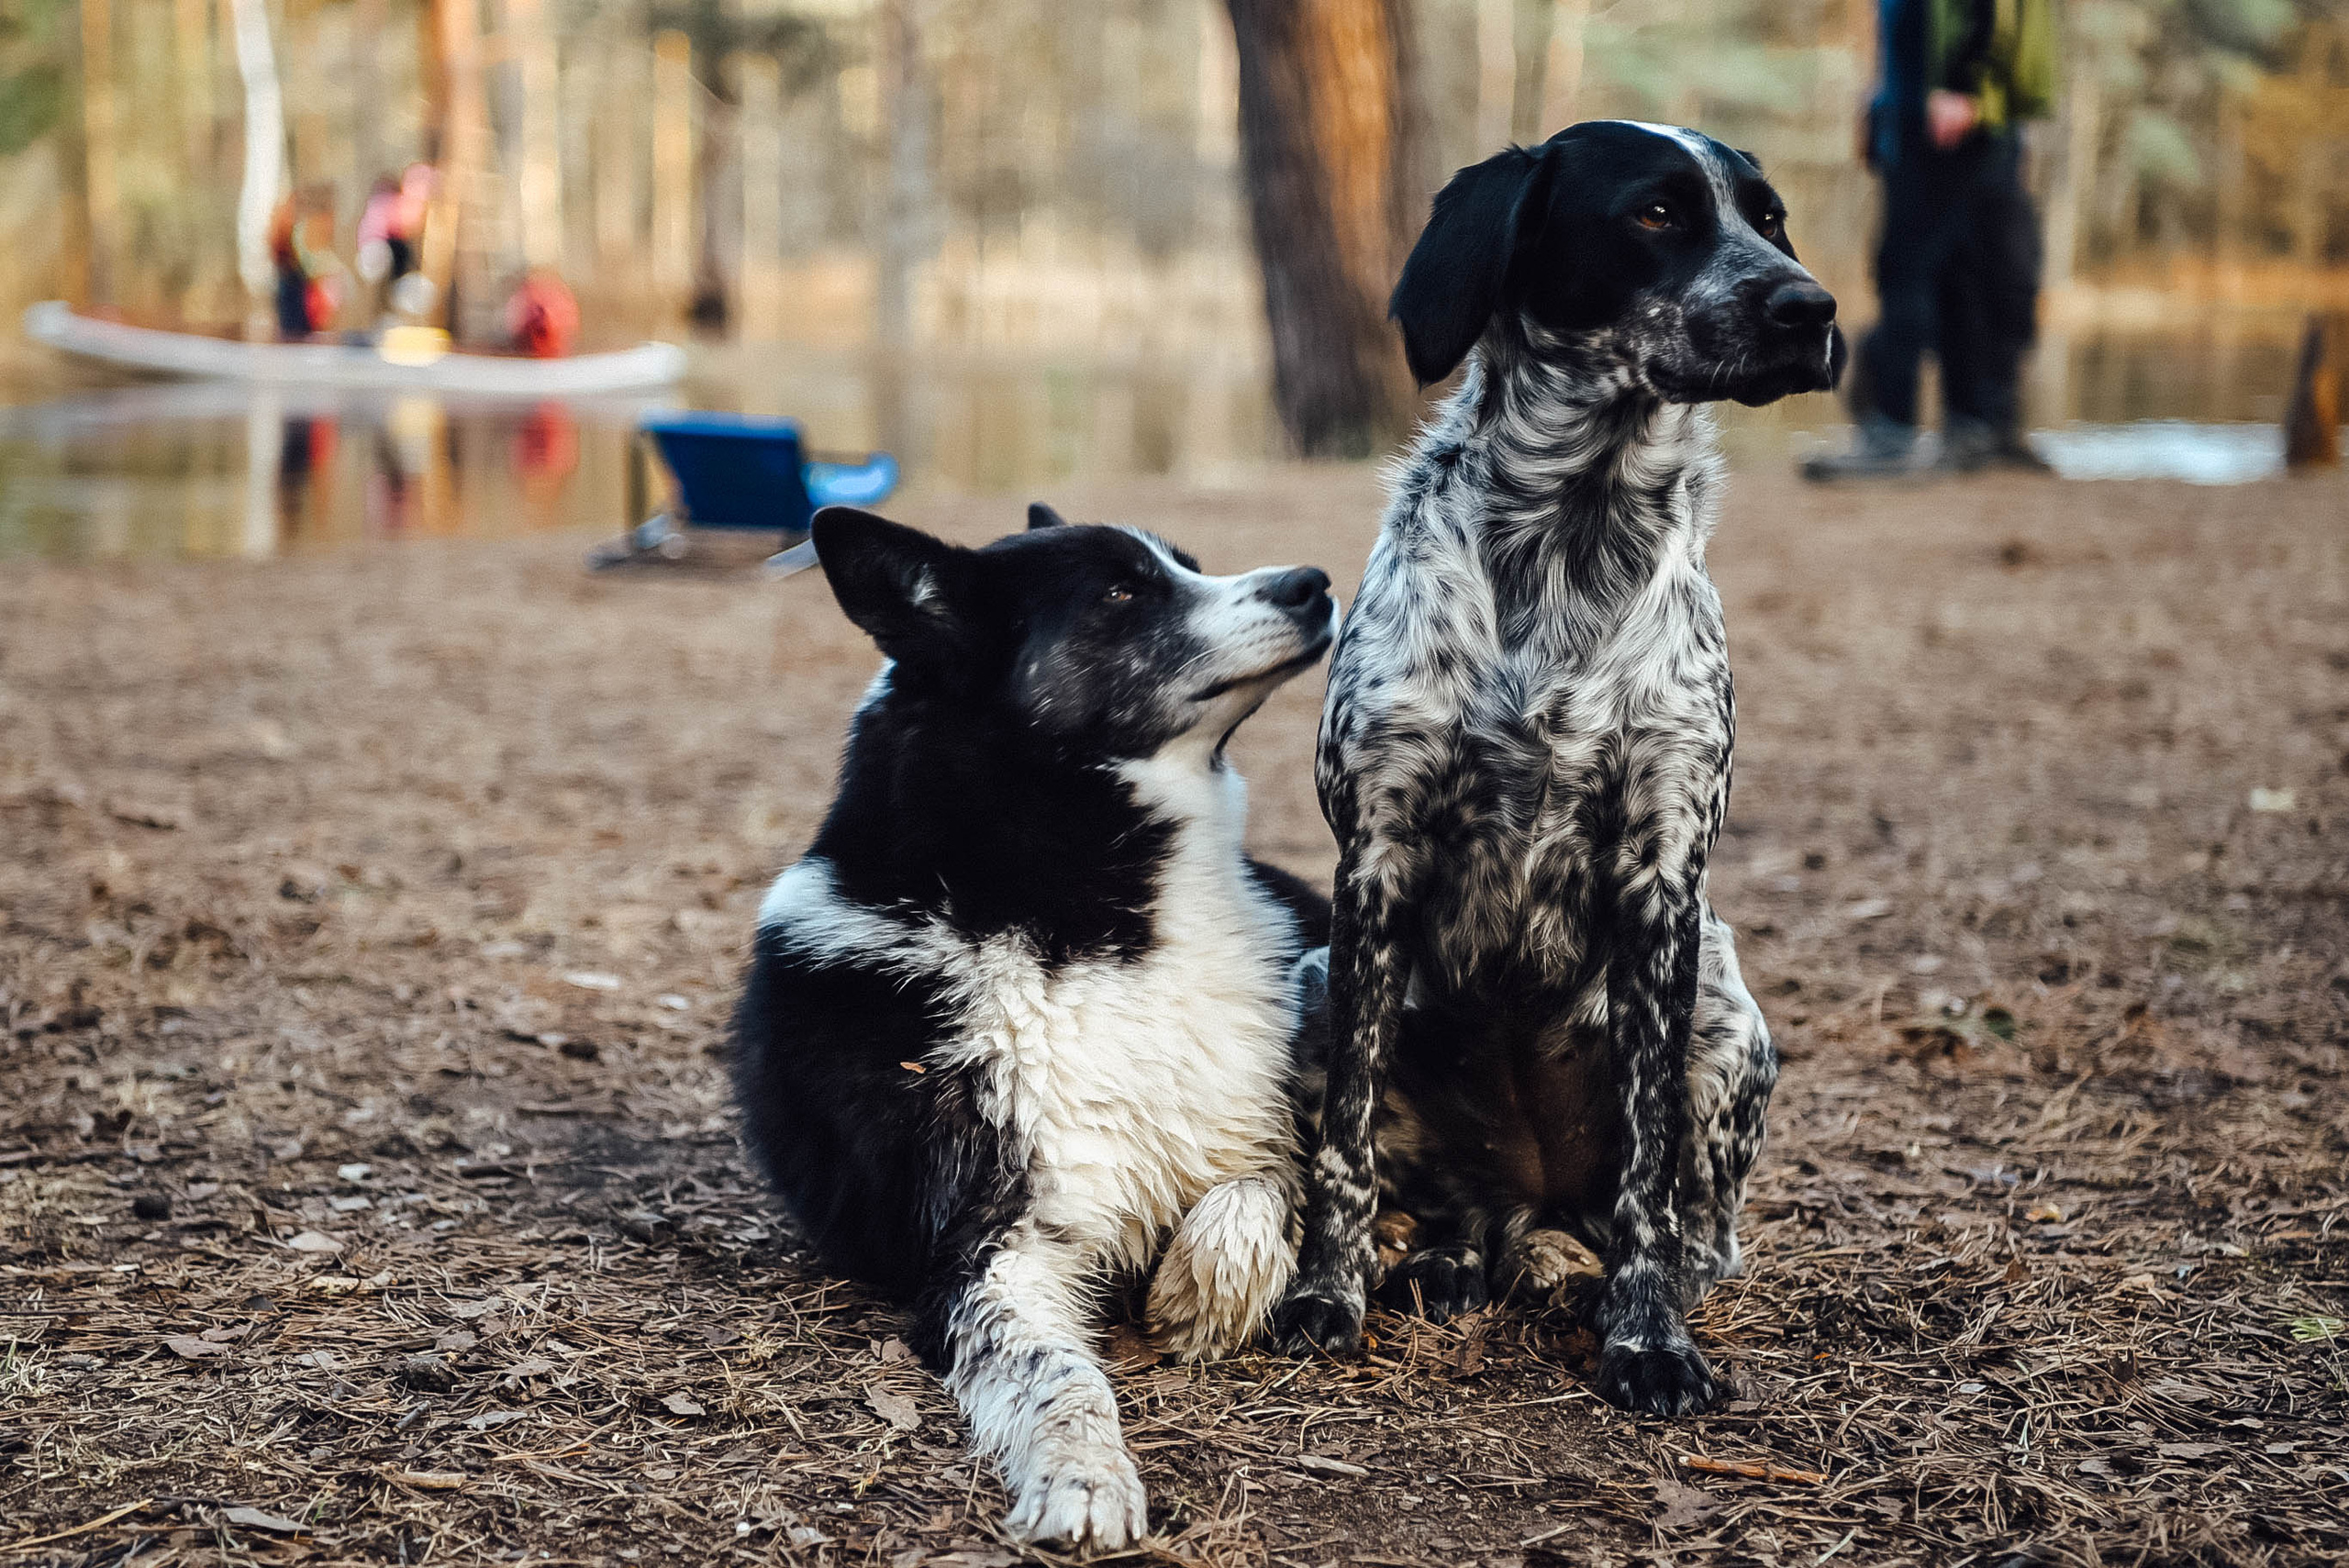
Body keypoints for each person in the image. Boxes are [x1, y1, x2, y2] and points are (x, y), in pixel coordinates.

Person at [1805, 0, 2056, 479]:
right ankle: (1969, 428)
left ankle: (1892, 432)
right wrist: (1880, 103)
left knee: (1907, 271)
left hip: (1940, 118)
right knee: (1956, 274)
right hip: (1931, 114)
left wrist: (1961, 85)